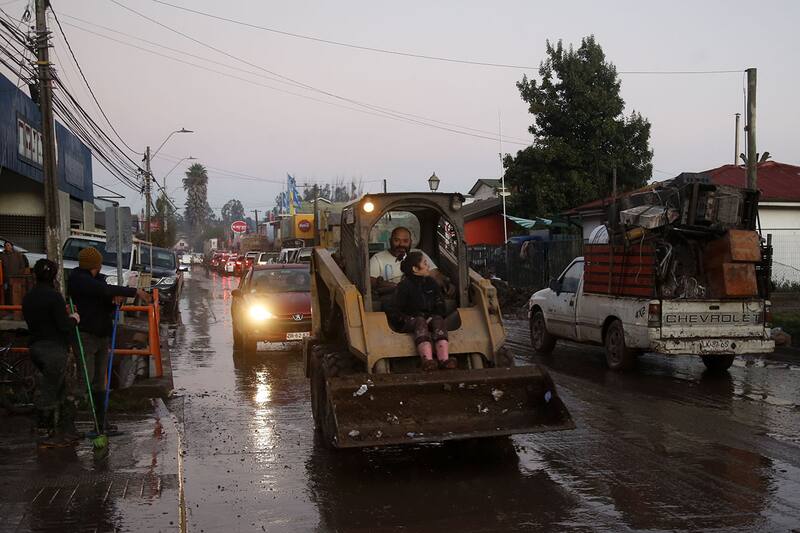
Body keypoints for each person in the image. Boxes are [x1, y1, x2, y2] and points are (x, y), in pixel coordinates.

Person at [67, 247, 150, 427]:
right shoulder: (78, 279)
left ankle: (100, 422)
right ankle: (67, 423)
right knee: (85, 380)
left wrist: (114, 302)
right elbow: (102, 290)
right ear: (95, 264)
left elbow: (105, 298)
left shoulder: (98, 279)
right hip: (85, 335)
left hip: (102, 334)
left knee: (99, 382)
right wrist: (133, 292)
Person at [22, 259, 81, 446]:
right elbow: (64, 327)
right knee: (60, 391)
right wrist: (74, 319)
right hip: (54, 349)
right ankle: (53, 432)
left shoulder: (29, 297)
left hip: (36, 347)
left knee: (48, 386)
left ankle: (50, 430)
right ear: (54, 276)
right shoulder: (54, 297)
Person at [388, 251, 455, 371]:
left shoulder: (432, 283)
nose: (428, 266)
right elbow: (395, 310)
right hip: (410, 321)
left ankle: (444, 359)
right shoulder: (404, 286)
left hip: (429, 318)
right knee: (420, 322)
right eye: (425, 263)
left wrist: (435, 315)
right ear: (415, 268)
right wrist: (408, 318)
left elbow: (440, 303)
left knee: (438, 320)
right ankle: (427, 360)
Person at [1, 240, 29, 304]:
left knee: (16, 293)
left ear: (11, 246)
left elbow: (22, 265)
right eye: (5, 246)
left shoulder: (17, 254)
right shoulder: (2, 255)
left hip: (16, 277)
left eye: (8, 245)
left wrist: (19, 275)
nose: (7, 247)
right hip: (6, 277)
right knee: (7, 292)